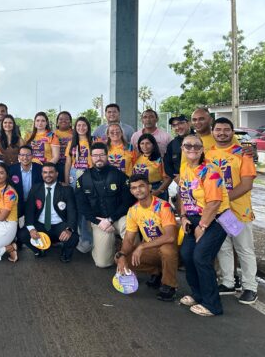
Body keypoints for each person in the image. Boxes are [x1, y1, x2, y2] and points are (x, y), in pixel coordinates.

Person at [207, 117, 259, 305]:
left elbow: (246, 184)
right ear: (212, 132)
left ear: (232, 132)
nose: (222, 133)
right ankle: (228, 282)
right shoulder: (208, 154)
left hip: (238, 210)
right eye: (218, 129)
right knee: (224, 247)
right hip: (219, 212)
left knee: (244, 249)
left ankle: (250, 287)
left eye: (226, 129)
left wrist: (221, 199)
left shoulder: (243, 153)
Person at [178, 134, 230, 317]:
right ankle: (198, 294)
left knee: (201, 257)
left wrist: (203, 226)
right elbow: (183, 194)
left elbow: (215, 202)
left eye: (196, 146)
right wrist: (183, 216)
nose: (192, 149)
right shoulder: (185, 168)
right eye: (188, 146)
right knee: (186, 254)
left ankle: (212, 305)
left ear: (202, 149)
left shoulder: (210, 170)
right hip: (191, 219)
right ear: (182, 148)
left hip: (214, 220)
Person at [116, 174, 179, 302]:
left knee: (166, 250)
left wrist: (142, 246)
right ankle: (157, 271)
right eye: (134, 188)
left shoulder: (163, 206)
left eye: (141, 186)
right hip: (152, 249)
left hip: (173, 248)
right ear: (131, 191)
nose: (138, 190)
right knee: (120, 259)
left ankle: (169, 285)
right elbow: (128, 239)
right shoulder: (133, 210)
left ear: (149, 187)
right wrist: (122, 255)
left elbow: (170, 237)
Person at [74, 142, 134, 268]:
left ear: (107, 156)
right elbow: (82, 206)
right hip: (99, 221)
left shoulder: (119, 175)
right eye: (95, 155)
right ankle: (114, 243)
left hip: (119, 217)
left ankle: (131, 256)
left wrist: (111, 219)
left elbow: (128, 201)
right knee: (103, 263)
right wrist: (98, 221)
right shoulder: (83, 179)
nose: (99, 158)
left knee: (128, 227)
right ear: (91, 157)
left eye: (102, 155)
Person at [18, 162, 78, 263]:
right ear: (42, 174)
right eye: (45, 172)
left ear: (57, 174)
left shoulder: (66, 190)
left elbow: (72, 211)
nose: (48, 175)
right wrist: (32, 229)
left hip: (59, 224)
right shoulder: (35, 188)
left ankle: (65, 253)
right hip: (40, 224)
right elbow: (29, 211)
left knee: (73, 237)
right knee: (23, 234)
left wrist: (69, 229)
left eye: (51, 172)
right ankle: (39, 251)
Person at [64, 116, 93, 253]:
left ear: (88, 127)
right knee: (75, 207)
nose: (81, 128)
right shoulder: (72, 143)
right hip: (74, 175)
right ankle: (78, 237)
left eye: (84, 125)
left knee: (86, 207)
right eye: (79, 125)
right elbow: (68, 163)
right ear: (75, 128)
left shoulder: (93, 141)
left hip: (89, 175)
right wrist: (66, 180)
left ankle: (88, 239)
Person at [8, 145, 43, 222]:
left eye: (28, 155)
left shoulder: (40, 169)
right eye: (22, 155)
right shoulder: (11, 170)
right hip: (17, 203)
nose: (25, 158)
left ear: (32, 156)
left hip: (34, 203)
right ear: (19, 156)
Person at [134, 133, 172, 200]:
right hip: (139, 190)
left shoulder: (160, 160)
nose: (145, 146)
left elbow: (168, 178)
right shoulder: (137, 158)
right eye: (142, 143)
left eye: (148, 143)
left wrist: (158, 191)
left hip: (156, 190)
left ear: (153, 145)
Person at [164, 114, 194, 184]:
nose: (178, 127)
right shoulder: (172, 144)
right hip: (181, 183)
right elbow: (167, 163)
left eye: (180, 123)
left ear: (188, 123)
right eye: (174, 125)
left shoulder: (199, 139)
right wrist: (174, 177)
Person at [54, 111, 73, 178]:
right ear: (57, 121)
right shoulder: (51, 134)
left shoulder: (75, 133)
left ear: (70, 122)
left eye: (66, 119)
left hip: (71, 165)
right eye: (61, 119)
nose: (63, 121)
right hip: (55, 165)